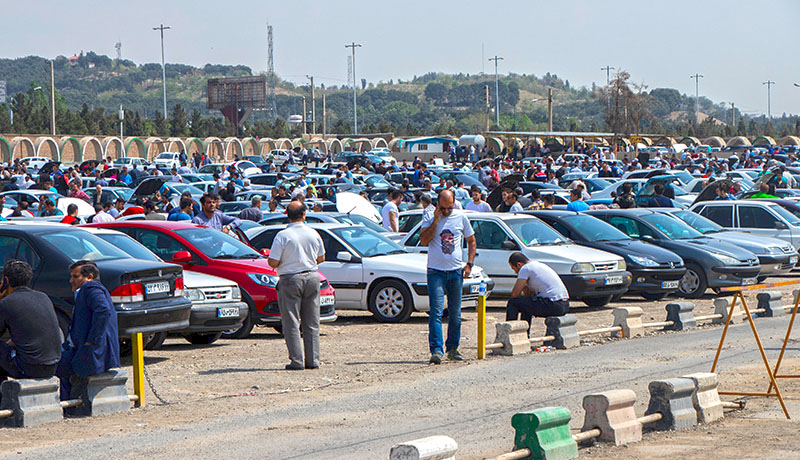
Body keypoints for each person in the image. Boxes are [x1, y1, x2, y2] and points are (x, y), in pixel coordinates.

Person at [418, 190, 477, 364]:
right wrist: (435, 221)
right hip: (435, 271)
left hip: (455, 271)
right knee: (436, 312)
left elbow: (471, 240)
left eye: (449, 208)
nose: (446, 211)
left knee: (455, 313)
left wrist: (469, 263)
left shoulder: (460, 217)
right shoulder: (430, 217)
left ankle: (453, 348)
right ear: (437, 205)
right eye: (443, 208)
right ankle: (436, 350)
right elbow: (424, 240)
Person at [267, 202, 325, 370]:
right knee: (312, 321)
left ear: (287, 215)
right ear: (304, 214)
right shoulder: (313, 233)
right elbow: (321, 258)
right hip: (312, 276)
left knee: (291, 321)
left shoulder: (283, 235)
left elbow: (273, 262)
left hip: (290, 278)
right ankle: (313, 360)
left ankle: (297, 361)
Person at [56, 261, 120, 400]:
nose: (71, 280)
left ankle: (70, 404)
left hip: (91, 351)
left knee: (60, 365)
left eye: (75, 276)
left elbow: (103, 311)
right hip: (83, 348)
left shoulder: (91, 289)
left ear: (89, 277)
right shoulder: (88, 290)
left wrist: (92, 341)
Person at [0, 260, 62, 384]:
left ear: (6, 280)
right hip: (53, 365)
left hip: (28, 368)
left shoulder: (6, 303)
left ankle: (3, 394)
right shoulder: (43, 297)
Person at [505, 252, 570, 334]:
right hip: (564, 304)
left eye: (514, 269)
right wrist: (526, 287)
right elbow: (528, 296)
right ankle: (524, 334)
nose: (515, 272)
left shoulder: (525, 268)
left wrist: (521, 285)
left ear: (519, 264)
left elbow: (515, 294)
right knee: (526, 304)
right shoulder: (538, 265)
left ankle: (509, 333)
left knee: (513, 302)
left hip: (553, 304)